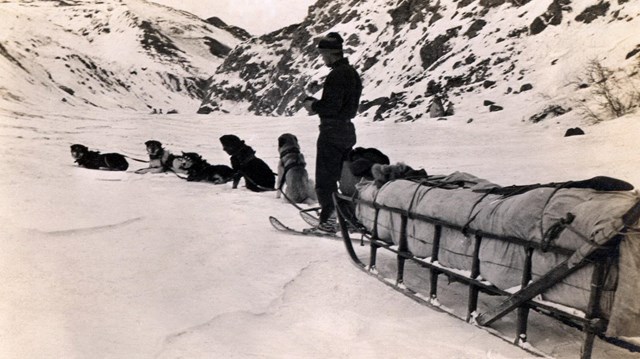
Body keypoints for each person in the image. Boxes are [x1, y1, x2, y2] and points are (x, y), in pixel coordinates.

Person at [303, 32, 363, 233]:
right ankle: (350, 218)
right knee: (344, 178)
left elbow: (331, 107)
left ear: (329, 53)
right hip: (347, 131)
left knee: (325, 179)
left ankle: (328, 222)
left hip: (332, 131)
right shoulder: (352, 73)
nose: (322, 58)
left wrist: (313, 105)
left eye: (323, 55)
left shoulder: (336, 74)